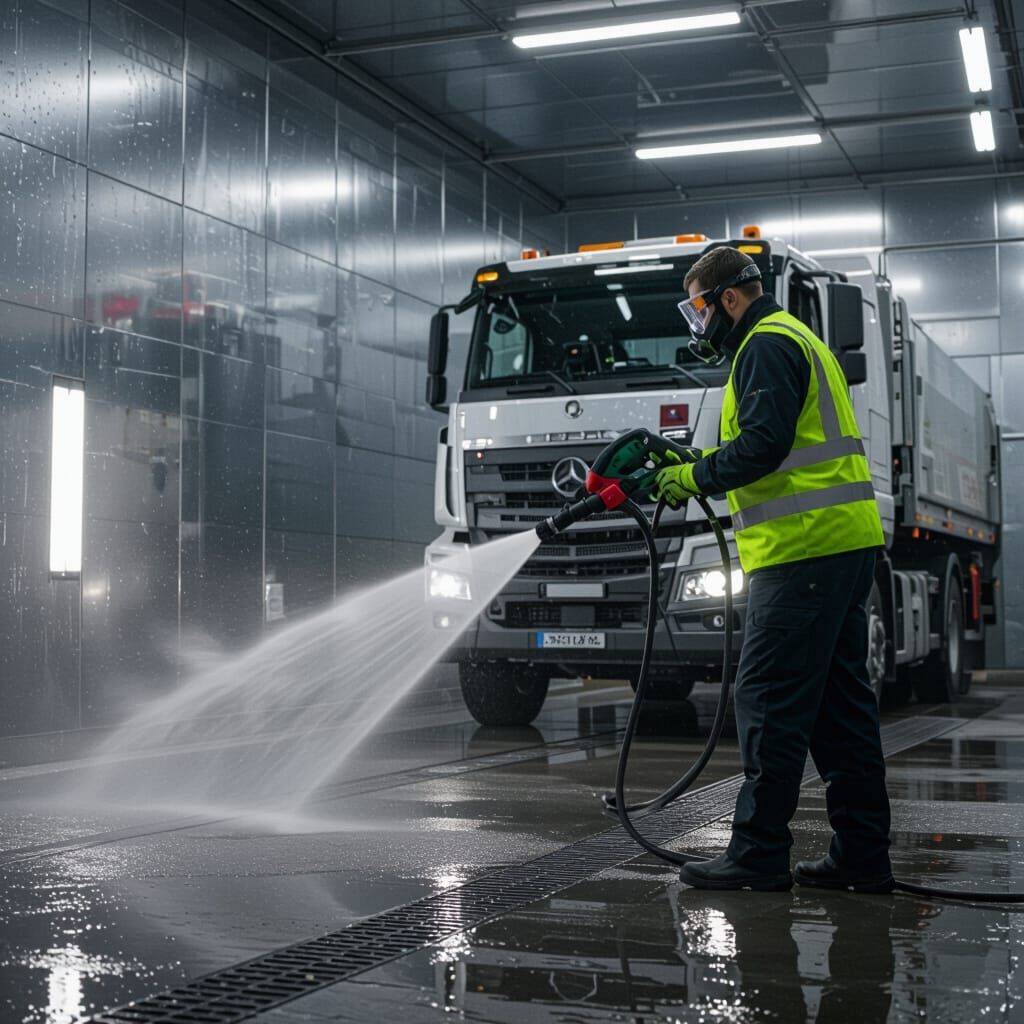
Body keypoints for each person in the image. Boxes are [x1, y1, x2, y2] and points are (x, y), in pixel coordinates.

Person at [653, 245, 893, 893]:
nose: (699, 323)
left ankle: (759, 851)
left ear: (730, 297)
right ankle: (863, 855)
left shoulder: (764, 345)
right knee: (840, 711)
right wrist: (699, 463)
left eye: (700, 307)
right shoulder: (798, 338)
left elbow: (762, 447)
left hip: (803, 552)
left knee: (767, 700)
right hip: (841, 548)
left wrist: (689, 475)